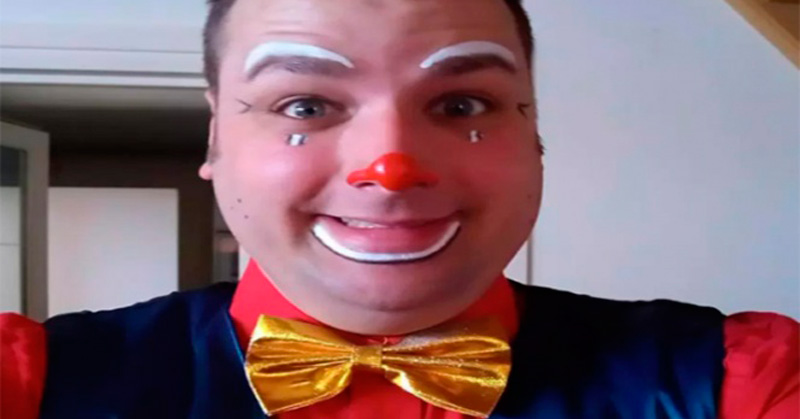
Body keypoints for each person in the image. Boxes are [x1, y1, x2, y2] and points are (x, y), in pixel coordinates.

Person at [2, 0, 797, 418]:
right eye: (306, 105)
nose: (391, 168)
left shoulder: (736, 380)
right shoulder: (31, 384)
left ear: (534, 134)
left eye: (461, 104)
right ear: (216, 137)